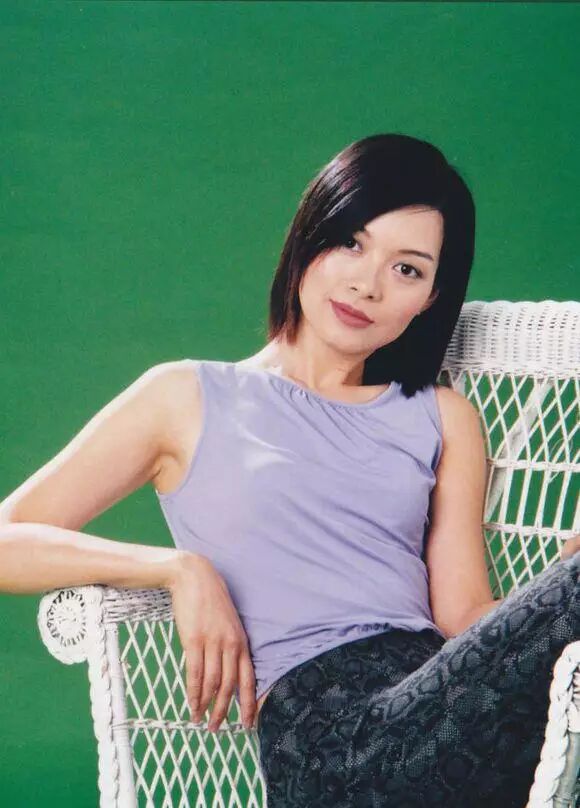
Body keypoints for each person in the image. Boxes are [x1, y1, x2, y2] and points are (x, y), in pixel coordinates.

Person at [0, 133, 577, 807]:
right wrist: (178, 569)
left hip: (447, 716)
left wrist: (553, 590)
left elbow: (465, 615)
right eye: (352, 243)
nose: (367, 284)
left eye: (407, 269)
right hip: (331, 745)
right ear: (311, 233)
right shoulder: (186, 398)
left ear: (429, 298)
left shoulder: (442, 417)